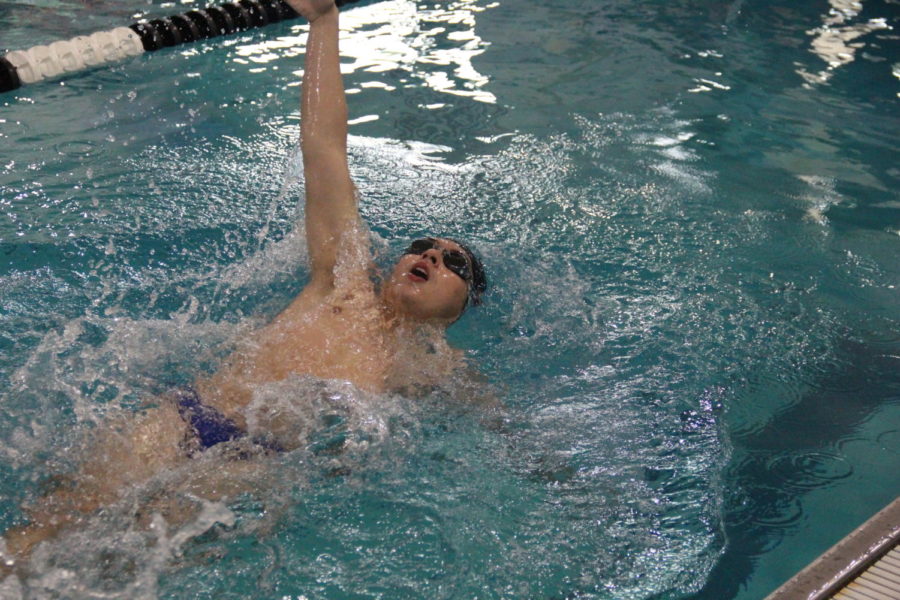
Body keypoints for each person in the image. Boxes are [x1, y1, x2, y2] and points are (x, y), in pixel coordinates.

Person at [1, 0, 488, 571]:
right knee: (33, 537)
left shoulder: (440, 370)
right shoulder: (342, 283)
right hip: (180, 418)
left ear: (460, 307)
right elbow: (324, 149)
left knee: (100, 571)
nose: (430, 253)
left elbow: (500, 443)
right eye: (422, 247)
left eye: (454, 262)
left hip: (249, 468)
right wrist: (324, 22)